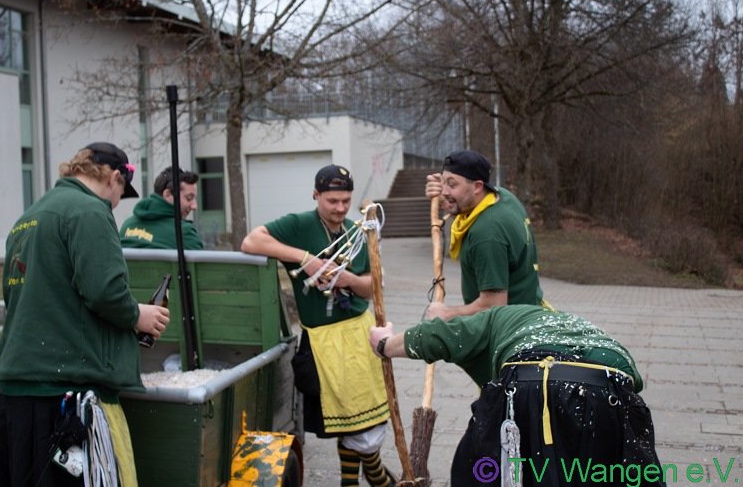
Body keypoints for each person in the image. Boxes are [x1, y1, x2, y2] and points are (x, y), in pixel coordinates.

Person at [0, 142, 171, 487]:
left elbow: (23, 297)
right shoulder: (90, 211)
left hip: (18, 397)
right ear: (115, 177)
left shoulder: (28, 217)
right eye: (121, 194)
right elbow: (104, 291)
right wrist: (139, 316)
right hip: (64, 401)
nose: (116, 205)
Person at [369, 305, 664, 487]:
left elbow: (440, 336)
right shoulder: (574, 324)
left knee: (478, 471)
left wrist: (384, 344)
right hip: (611, 386)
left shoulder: (495, 318)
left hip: (528, 381)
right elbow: (632, 381)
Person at [241, 164, 395, 487]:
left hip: (359, 334)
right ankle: (375, 477)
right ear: (316, 195)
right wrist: (305, 258)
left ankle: (363, 478)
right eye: (332, 201)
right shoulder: (298, 225)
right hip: (323, 340)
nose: (340, 209)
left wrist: (349, 279)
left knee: (361, 419)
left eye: (345, 201)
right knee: (346, 419)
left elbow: (373, 287)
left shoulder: (357, 230)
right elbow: (251, 242)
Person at [425, 149, 544, 320]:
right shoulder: (503, 196)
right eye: (443, 183)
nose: (444, 191)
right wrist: (444, 199)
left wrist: (447, 313)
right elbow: (464, 204)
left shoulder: (487, 234)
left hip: (509, 330)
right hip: (532, 310)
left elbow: (493, 305)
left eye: (452, 185)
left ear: (477, 186)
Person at [119, 166, 204, 249]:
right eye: (189, 198)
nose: (194, 206)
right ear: (167, 194)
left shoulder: (126, 226)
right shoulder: (184, 233)